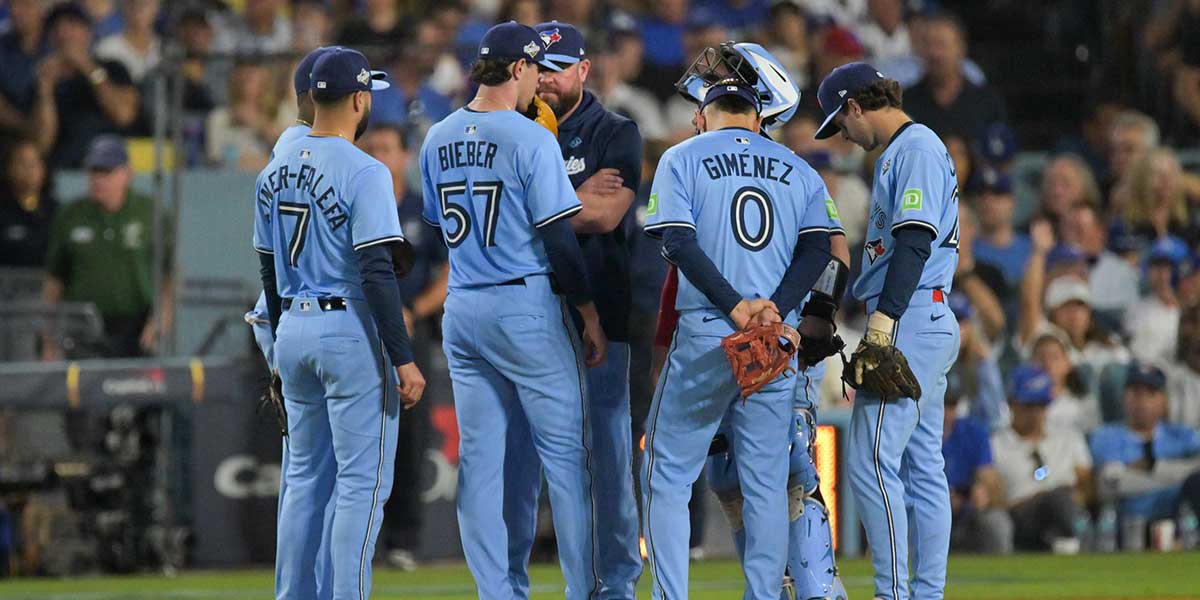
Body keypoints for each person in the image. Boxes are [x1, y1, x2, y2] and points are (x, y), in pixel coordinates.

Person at [418, 22, 605, 599]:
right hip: (525, 302)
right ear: (520, 68)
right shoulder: (530, 139)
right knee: (568, 464)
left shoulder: (436, 135)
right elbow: (559, 239)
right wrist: (588, 312)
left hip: (465, 305)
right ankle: (584, 592)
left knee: (480, 465)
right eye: (535, 72)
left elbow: (434, 235)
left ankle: (497, 594)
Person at [642, 51, 840, 593]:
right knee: (767, 486)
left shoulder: (681, 157)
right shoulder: (800, 167)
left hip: (709, 330)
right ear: (757, 116)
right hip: (774, 341)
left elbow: (677, 242)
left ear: (704, 115)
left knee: (665, 476)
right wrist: (773, 307)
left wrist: (734, 306)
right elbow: (820, 250)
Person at [254, 47, 425, 599]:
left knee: (303, 480)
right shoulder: (365, 169)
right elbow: (377, 273)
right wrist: (403, 356)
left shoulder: (275, 165)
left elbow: (267, 267)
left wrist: (278, 350)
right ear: (358, 98)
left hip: (293, 327)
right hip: (345, 327)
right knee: (361, 484)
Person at [499, 21, 643, 599]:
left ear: (584, 70)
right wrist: (570, 197)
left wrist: (532, 203)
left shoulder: (616, 132)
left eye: (560, 68)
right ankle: (511, 584)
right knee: (519, 458)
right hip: (530, 310)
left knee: (610, 455)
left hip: (603, 308)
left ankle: (617, 585)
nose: (549, 80)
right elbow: (566, 212)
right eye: (541, 67)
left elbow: (606, 217)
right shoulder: (509, 126)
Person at [814, 61, 961, 600]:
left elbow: (916, 240)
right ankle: (923, 594)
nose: (843, 136)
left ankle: (895, 594)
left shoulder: (914, 147)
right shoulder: (908, 149)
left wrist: (884, 319)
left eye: (840, 122)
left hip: (910, 315)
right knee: (922, 466)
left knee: (872, 459)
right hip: (924, 313)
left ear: (855, 105)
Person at [361, 123, 448, 571]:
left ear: (403, 156)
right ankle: (363, 539)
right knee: (363, 438)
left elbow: (450, 271)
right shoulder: (355, 201)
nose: (378, 154)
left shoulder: (422, 209)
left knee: (410, 439)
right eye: (370, 146)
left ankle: (404, 540)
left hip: (410, 331)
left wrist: (415, 307)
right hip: (360, 331)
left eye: (386, 147)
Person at [43, 135, 171, 359]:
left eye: (107, 171)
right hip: (82, 326)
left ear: (127, 173)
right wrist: (48, 339)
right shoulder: (70, 215)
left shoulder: (150, 213)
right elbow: (54, 280)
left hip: (135, 326)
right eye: (94, 171)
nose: (98, 179)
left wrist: (161, 317)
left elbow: (169, 274)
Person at [990, 364, 1093, 552]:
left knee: (1062, 501)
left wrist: (1073, 496)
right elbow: (994, 501)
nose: (1036, 413)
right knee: (1055, 500)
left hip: (1066, 508)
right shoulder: (996, 445)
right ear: (1012, 403)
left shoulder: (1068, 438)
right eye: (1029, 406)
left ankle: (1070, 544)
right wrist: (1038, 498)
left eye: (1041, 405)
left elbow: (1087, 487)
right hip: (1020, 516)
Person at [1091, 363, 1200, 536]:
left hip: (1180, 522)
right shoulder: (1106, 435)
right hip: (1127, 527)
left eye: (1150, 393)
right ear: (1124, 396)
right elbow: (1109, 484)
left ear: (1163, 399)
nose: (1142, 401)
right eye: (1135, 393)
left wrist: (1152, 467)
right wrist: (1180, 476)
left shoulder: (1181, 434)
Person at [34, 2, 139, 168]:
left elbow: (123, 114)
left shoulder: (113, 68)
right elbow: (41, 145)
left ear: (88, 32)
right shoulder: (43, 78)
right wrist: (45, 91)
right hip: (63, 171)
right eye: (56, 27)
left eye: (72, 24)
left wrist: (87, 67)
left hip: (110, 170)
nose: (63, 33)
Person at [900, 12, 1005, 142]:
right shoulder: (905, 104)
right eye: (927, 44)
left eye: (941, 45)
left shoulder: (986, 103)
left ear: (961, 49)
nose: (934, 53)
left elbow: (1000, 156)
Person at [942, 391, 1011, 554]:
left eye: (951, 406)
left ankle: (1003, 572)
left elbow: (988, 477)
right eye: (943, 405)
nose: (946, 412)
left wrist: (983, 491)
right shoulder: (911, 431)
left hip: (966, 507)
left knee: (997, 521)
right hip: (922, 508)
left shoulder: (972, 430)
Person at [0, 137, 56, 268]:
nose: (29, 170)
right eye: (22, 163)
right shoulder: (3, 211)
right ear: (9, 168)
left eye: (34, 163)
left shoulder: (57, 211)